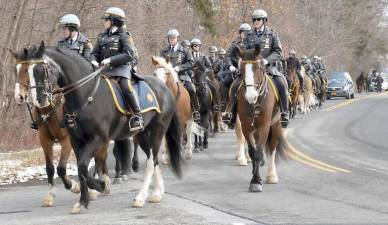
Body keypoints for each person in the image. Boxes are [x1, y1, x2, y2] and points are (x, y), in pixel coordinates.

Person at [225, 9, 290, 128]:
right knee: (235, 85)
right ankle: (231, 114)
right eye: (254, 19)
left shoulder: (272, 34)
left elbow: (278, 52)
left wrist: (266, 60)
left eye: (258, 19)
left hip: (269, 67)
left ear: (264, 21)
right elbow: (244, 50)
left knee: (281, 83)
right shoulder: (249, 35)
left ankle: (284, 112)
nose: (256, 21)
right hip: (252, 68)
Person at [90, 7, 143, 132]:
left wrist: (110, 60)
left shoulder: (124, 36)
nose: (104, 22)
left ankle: (137, 116)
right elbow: (94, 53)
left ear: (113, 21)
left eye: (106, 20)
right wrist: (92, 60)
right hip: (104, 71)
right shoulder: (101, 36)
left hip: (121, 69)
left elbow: (129, 54)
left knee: (126, 87)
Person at [159, 29, 200, 121]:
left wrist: (179, 68)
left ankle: (195, 111)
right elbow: (159, 63)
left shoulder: (185, 50)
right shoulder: (164, 51)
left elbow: (191, 63)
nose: (172, 40)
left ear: (177, 38)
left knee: (191, 89)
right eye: (170, 38)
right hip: (167, 77)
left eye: (173, 38)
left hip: (182, 76)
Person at [220, 23, 251, 117]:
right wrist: (230, 66)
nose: (245, 35)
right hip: (235, 69)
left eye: (247, 33)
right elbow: (228, 55)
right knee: (225, 82)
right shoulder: (235, 43)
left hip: (249, 69)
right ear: (240, 33)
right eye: (243, 33)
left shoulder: (252, 43)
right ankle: (224, 104)